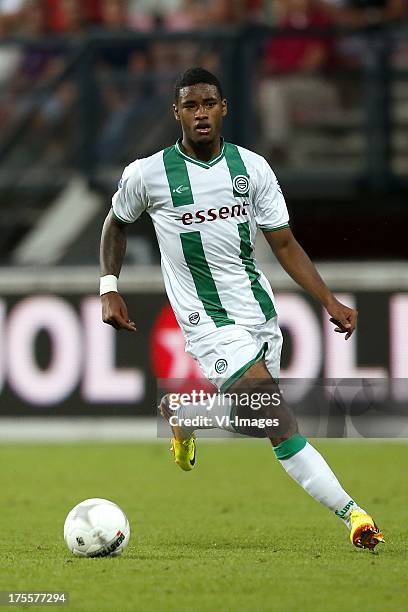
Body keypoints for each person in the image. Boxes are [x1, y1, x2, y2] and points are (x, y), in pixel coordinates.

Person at [99, 66, 384, 551]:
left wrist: (328, 299)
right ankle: (355, 516)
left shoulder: (251, 169)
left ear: (224, 108)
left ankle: (188, 415)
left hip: (259, 313)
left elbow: (286, 243)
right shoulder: (148, 174)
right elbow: (116, 223)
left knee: (258, 418)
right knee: (277, 418)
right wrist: (109, 286)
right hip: (206, 321)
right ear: (177, 113)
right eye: (190, 105)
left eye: (209, 103)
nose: (201, 113)